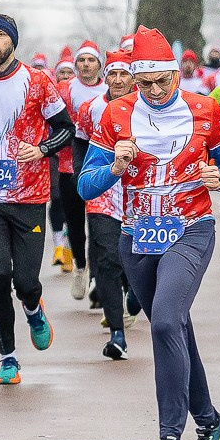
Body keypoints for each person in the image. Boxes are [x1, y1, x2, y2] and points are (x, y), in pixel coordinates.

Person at [77, 27, 220, 440]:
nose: (152, 91)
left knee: (166, 319)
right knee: (176, 331)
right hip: (137, 237)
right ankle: (209, 424)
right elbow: (84, 185)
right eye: (143, 83)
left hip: (191, 228)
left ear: (175, 74)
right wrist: (115, 166)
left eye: (161, 82)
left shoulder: (206, 111)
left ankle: (170, 435)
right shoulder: (114, 115)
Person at [0, 13, 78, 385]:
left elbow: (64, 129)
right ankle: (8, 358)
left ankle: (34, 309)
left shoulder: (37, 82)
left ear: (12, 43)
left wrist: (40, 150)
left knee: (25, 281)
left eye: (0, 36)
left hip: (30, 197)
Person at [82, 44, 137, 358]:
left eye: (123, 74)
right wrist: (85, 177)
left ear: (133, 79)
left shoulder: (145, 108)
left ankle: (135, 300)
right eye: (112, 73)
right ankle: (117, 335)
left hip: (139, 194)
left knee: (137, 260)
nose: (117, 79)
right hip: (104, 193)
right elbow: (81, 148)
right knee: (107, 260)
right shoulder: (92, 108)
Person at [54, 40, 106, 298]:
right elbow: (53, 122)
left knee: (98, 223)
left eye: (91, 60)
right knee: (75, 224)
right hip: (69, 166)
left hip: (100, 166)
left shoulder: (109, 90)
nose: (86, 65)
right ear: (75, 66)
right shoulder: (65, 89)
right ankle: (79, 266)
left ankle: (97, 277)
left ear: (99, 65)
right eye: (81, 61)